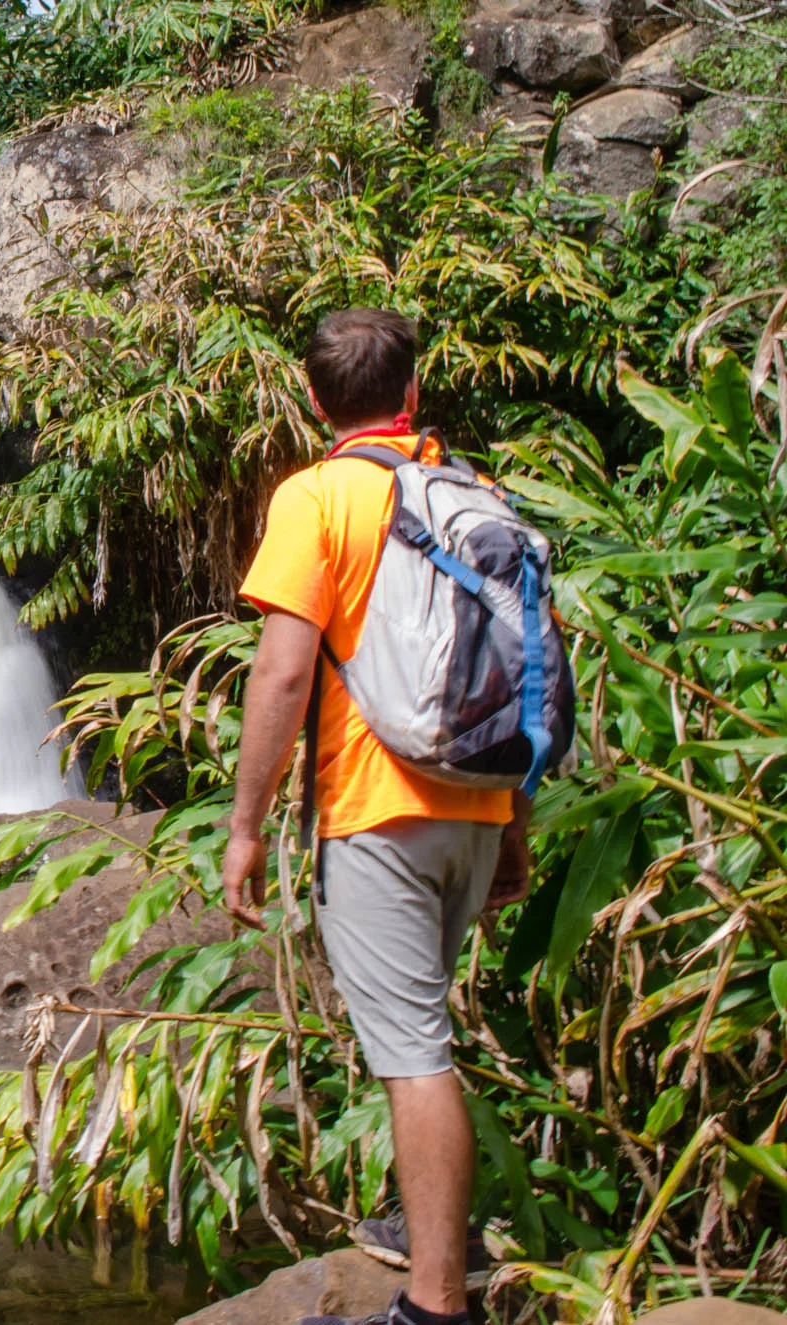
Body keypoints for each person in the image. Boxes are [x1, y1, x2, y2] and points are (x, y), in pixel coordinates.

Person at [222, 308, 533, 1325]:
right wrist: (512, 828)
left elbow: (280, 675)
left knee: (409, 1052)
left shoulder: (316, 496)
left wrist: (245, 824)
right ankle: (427, 1225)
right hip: (476, 801)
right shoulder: (474, 497)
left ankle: (434, 1303)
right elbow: (518, 672)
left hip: (377, 808)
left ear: (313, 401)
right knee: (420, 1031)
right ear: (409, 394)